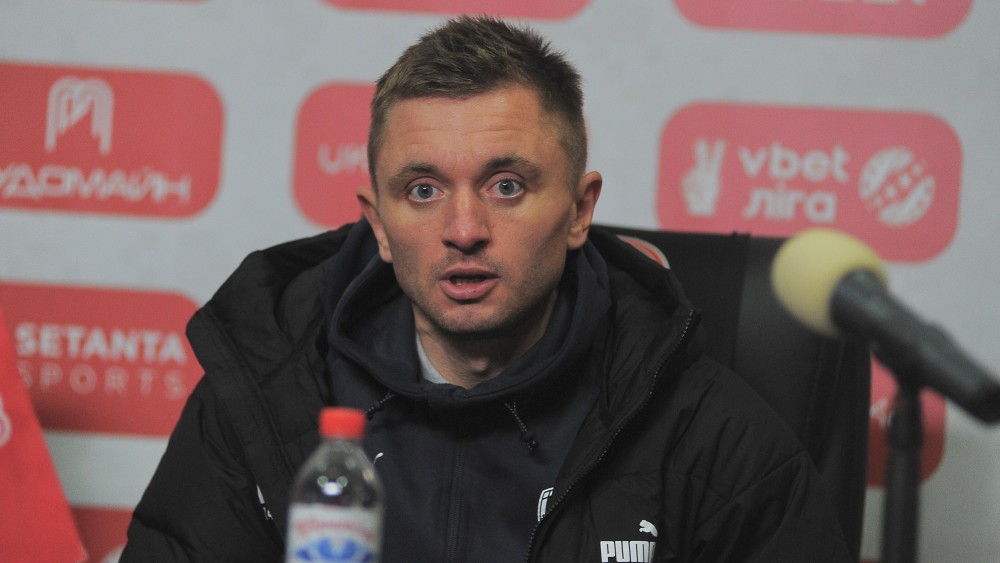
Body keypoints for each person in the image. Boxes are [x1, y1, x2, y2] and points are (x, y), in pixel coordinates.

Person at [122, 16, 852, 562]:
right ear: (378, 225)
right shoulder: (264, 395)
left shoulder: (708, 433)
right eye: (423, 189)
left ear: (579, 210)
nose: (464, 229)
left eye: (506, 186)